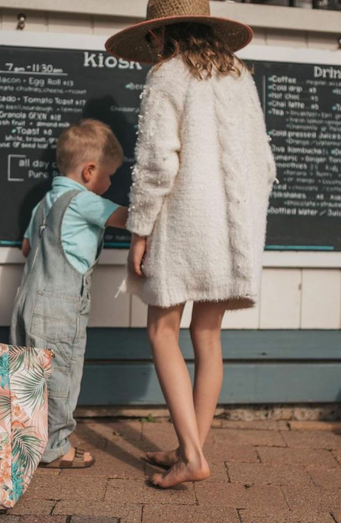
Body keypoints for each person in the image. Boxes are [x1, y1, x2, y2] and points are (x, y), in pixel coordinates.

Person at [106, 0, 276, 488]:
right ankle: (190, 449)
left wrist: (140, 230)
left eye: (153, 38)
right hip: (235, 227)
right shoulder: (239, 75)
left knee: (162, 331)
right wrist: (244, 222)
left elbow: (159, 163)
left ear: (161, 34)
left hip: (184, 223)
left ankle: (193, 457)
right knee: (208, 337)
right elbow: (264, 162)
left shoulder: (167, 76)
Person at [10, 119, 128, 468]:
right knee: (60, 377)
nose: (110, 184)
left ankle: (26, 440)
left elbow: (27, 246)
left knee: (29, 378)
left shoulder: (45, 202)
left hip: (27, 302)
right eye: (110, 176)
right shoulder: (83, 200)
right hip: (59, 309)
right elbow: (127, 218)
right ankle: (56, 447)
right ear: (89, 171)